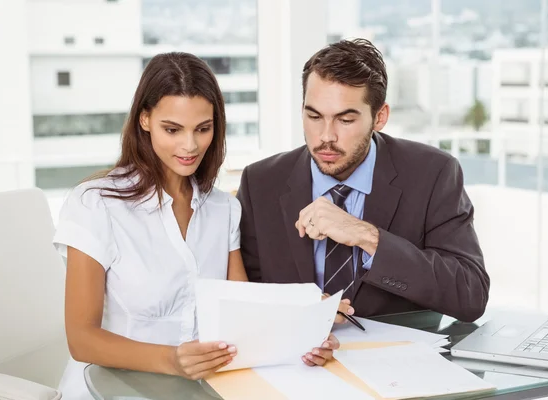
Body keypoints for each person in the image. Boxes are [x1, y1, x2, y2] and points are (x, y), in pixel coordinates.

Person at [52, 52, 337, 400]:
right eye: (172, 129)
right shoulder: (95, 204)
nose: (190, 145)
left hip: (197, 391)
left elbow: (243, 316)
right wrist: (172, 360)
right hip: (109, 389)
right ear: (145, 119)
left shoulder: (224, 209)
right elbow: (81, 339)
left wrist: (307, 327)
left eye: (202, 129)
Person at [236, 39, 490, 331]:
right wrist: (297, 310)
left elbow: (471, 295)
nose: (325, 137)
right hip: (295, 362)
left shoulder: (433, 174)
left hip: (396, 366)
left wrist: (368, 237)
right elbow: (244, 297)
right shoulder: (261, 183)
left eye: (345, 119)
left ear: (379, 117)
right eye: (314, 116)